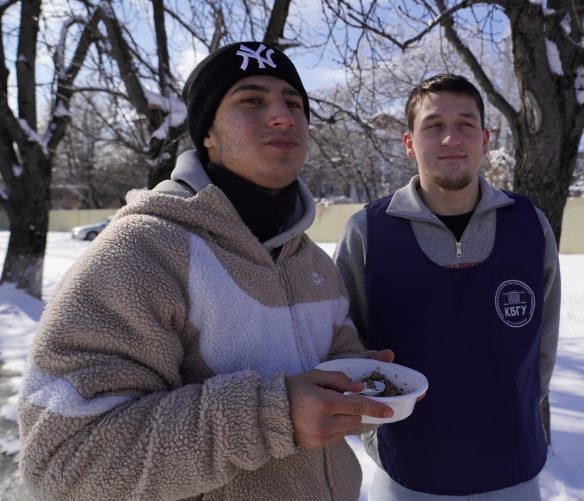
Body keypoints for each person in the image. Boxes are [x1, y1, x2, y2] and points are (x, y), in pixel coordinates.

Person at [18, 41, 394, 501]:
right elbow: (61, 461)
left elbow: (335, 361)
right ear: (208, 134)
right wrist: (270, 416)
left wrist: (359, 378)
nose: (283, 116)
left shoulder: (312, 261)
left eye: (294, 103)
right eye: (251, 100)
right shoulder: (143, 250)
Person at [334, 73, 561, 500]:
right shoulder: (369, 231)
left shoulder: (530, 226)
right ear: (409, 143)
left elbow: (543, 344)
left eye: (465, 124)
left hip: (512, 471)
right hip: (408, 475)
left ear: (485, 139)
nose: (451, 138)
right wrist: (373, 436)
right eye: (434, 125)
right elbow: (345, 343)